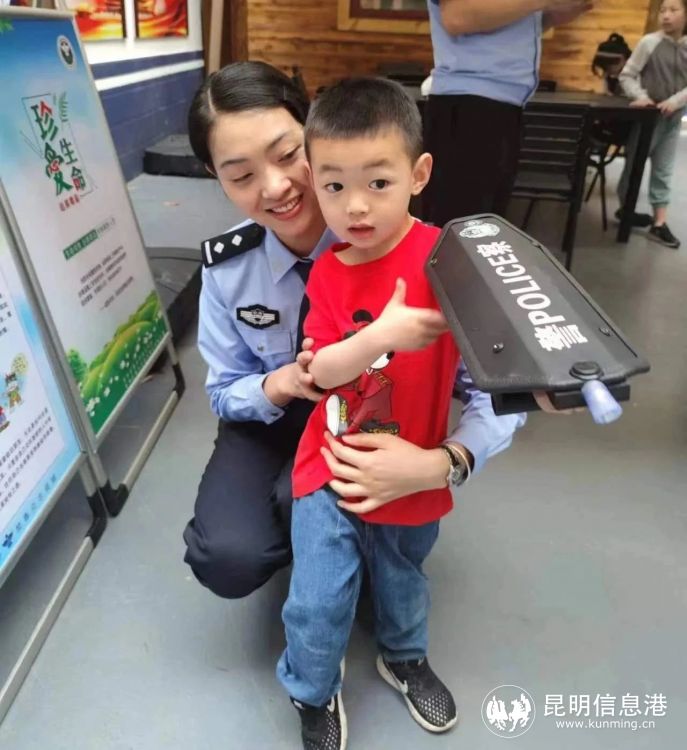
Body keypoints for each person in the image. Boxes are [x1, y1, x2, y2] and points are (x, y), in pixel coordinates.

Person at [182, 62, 523, 609]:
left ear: (317, 137)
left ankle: (352, 552)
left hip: (377, 418)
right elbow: (224, 391)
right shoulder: (228, 268)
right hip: (274, 418)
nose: (275, 187)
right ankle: (326, 554)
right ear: (214, 177)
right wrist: (282, 383)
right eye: (241, 176)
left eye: (288, 155)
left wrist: (445, 463)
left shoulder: (431, 259)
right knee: (228, 555)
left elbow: (502, 387)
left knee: (327, 498)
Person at [276, 78, 522, 750]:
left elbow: (505, 370)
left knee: (402, 576)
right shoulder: (329, 272)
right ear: (314, 181)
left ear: (418, 174)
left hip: (414, 463)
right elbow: (319, 372)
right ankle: (311, 688)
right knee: (317, 596)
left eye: (378, 183)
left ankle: (404, 656)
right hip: (331, 462)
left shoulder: (450, 260)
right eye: (334, 185)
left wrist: (441, 462)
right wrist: (379, 336)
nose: (355, 205)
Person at [423, 0, 593, 226]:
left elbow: (513, 20)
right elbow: (457, 17)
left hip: (501, 107)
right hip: (470, 105)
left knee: (485, 227)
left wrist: (563, 9)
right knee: (460, 227)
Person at [617, 0, 687, 249]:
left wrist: (675, 101)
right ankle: (626, 209)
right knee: (633, 166)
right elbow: (627, 75)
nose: (666, 15)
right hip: (648, 120)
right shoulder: (649, 42)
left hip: (672, 119)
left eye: (673, 10)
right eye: (662, 10)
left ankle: (659, 223)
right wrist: (640, 96)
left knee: (663, 170)